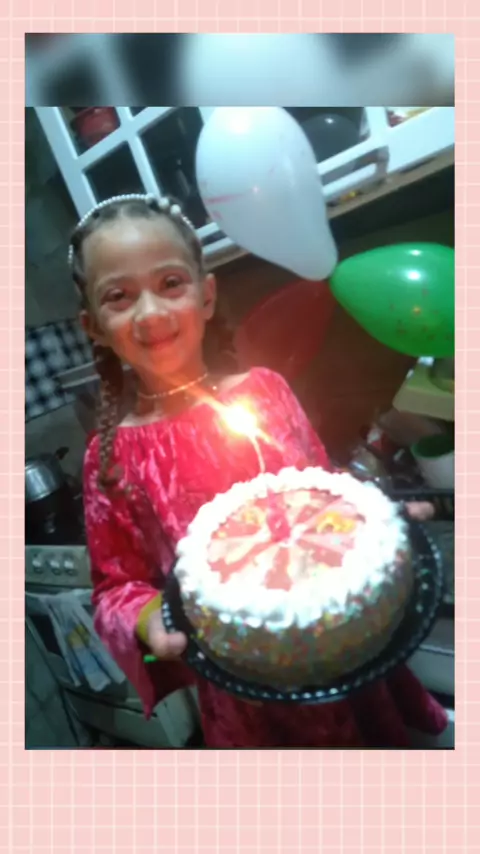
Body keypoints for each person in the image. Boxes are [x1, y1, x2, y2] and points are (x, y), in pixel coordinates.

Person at [73, 193, 447, 748]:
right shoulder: (111, 457)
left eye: (171, 283)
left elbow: (323, 488)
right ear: (94, 326)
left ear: (207, 295)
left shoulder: (266, 391)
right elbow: (114, 587)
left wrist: (375, 514)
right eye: (119, 296)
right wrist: (147, 618)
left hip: (347, 653)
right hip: (246, 701)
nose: (150, 313)